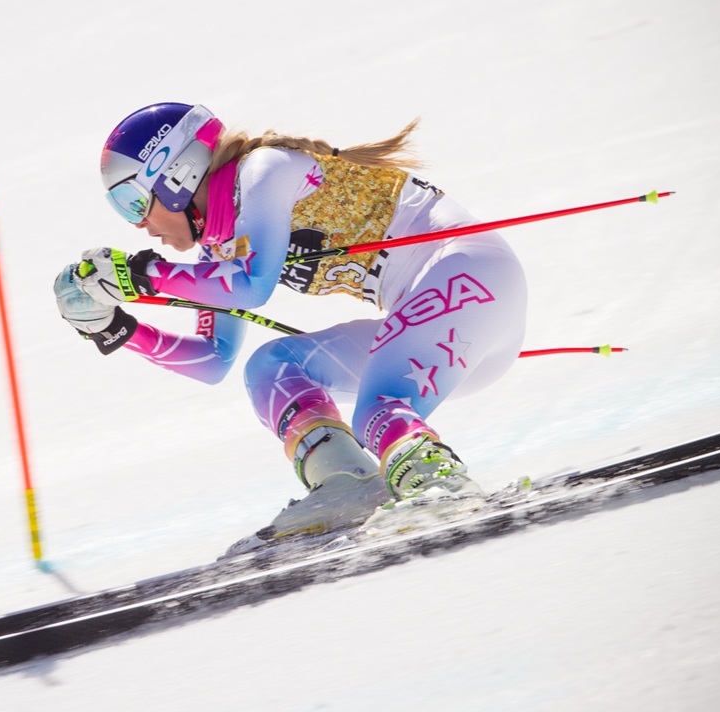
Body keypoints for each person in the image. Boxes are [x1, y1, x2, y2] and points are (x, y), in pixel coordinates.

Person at [54, 102, 527, 541]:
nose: (137, 224)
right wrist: (117, 329)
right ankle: (348, 484)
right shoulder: (218, 245)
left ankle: (440, 486)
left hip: (471, 275)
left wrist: (145, 275)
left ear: (176, 174)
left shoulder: (265, 170)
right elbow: (211, 360)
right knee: (271, 370)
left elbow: (252, 284)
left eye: (132, 201)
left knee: (377, 408)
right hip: (445, 332)